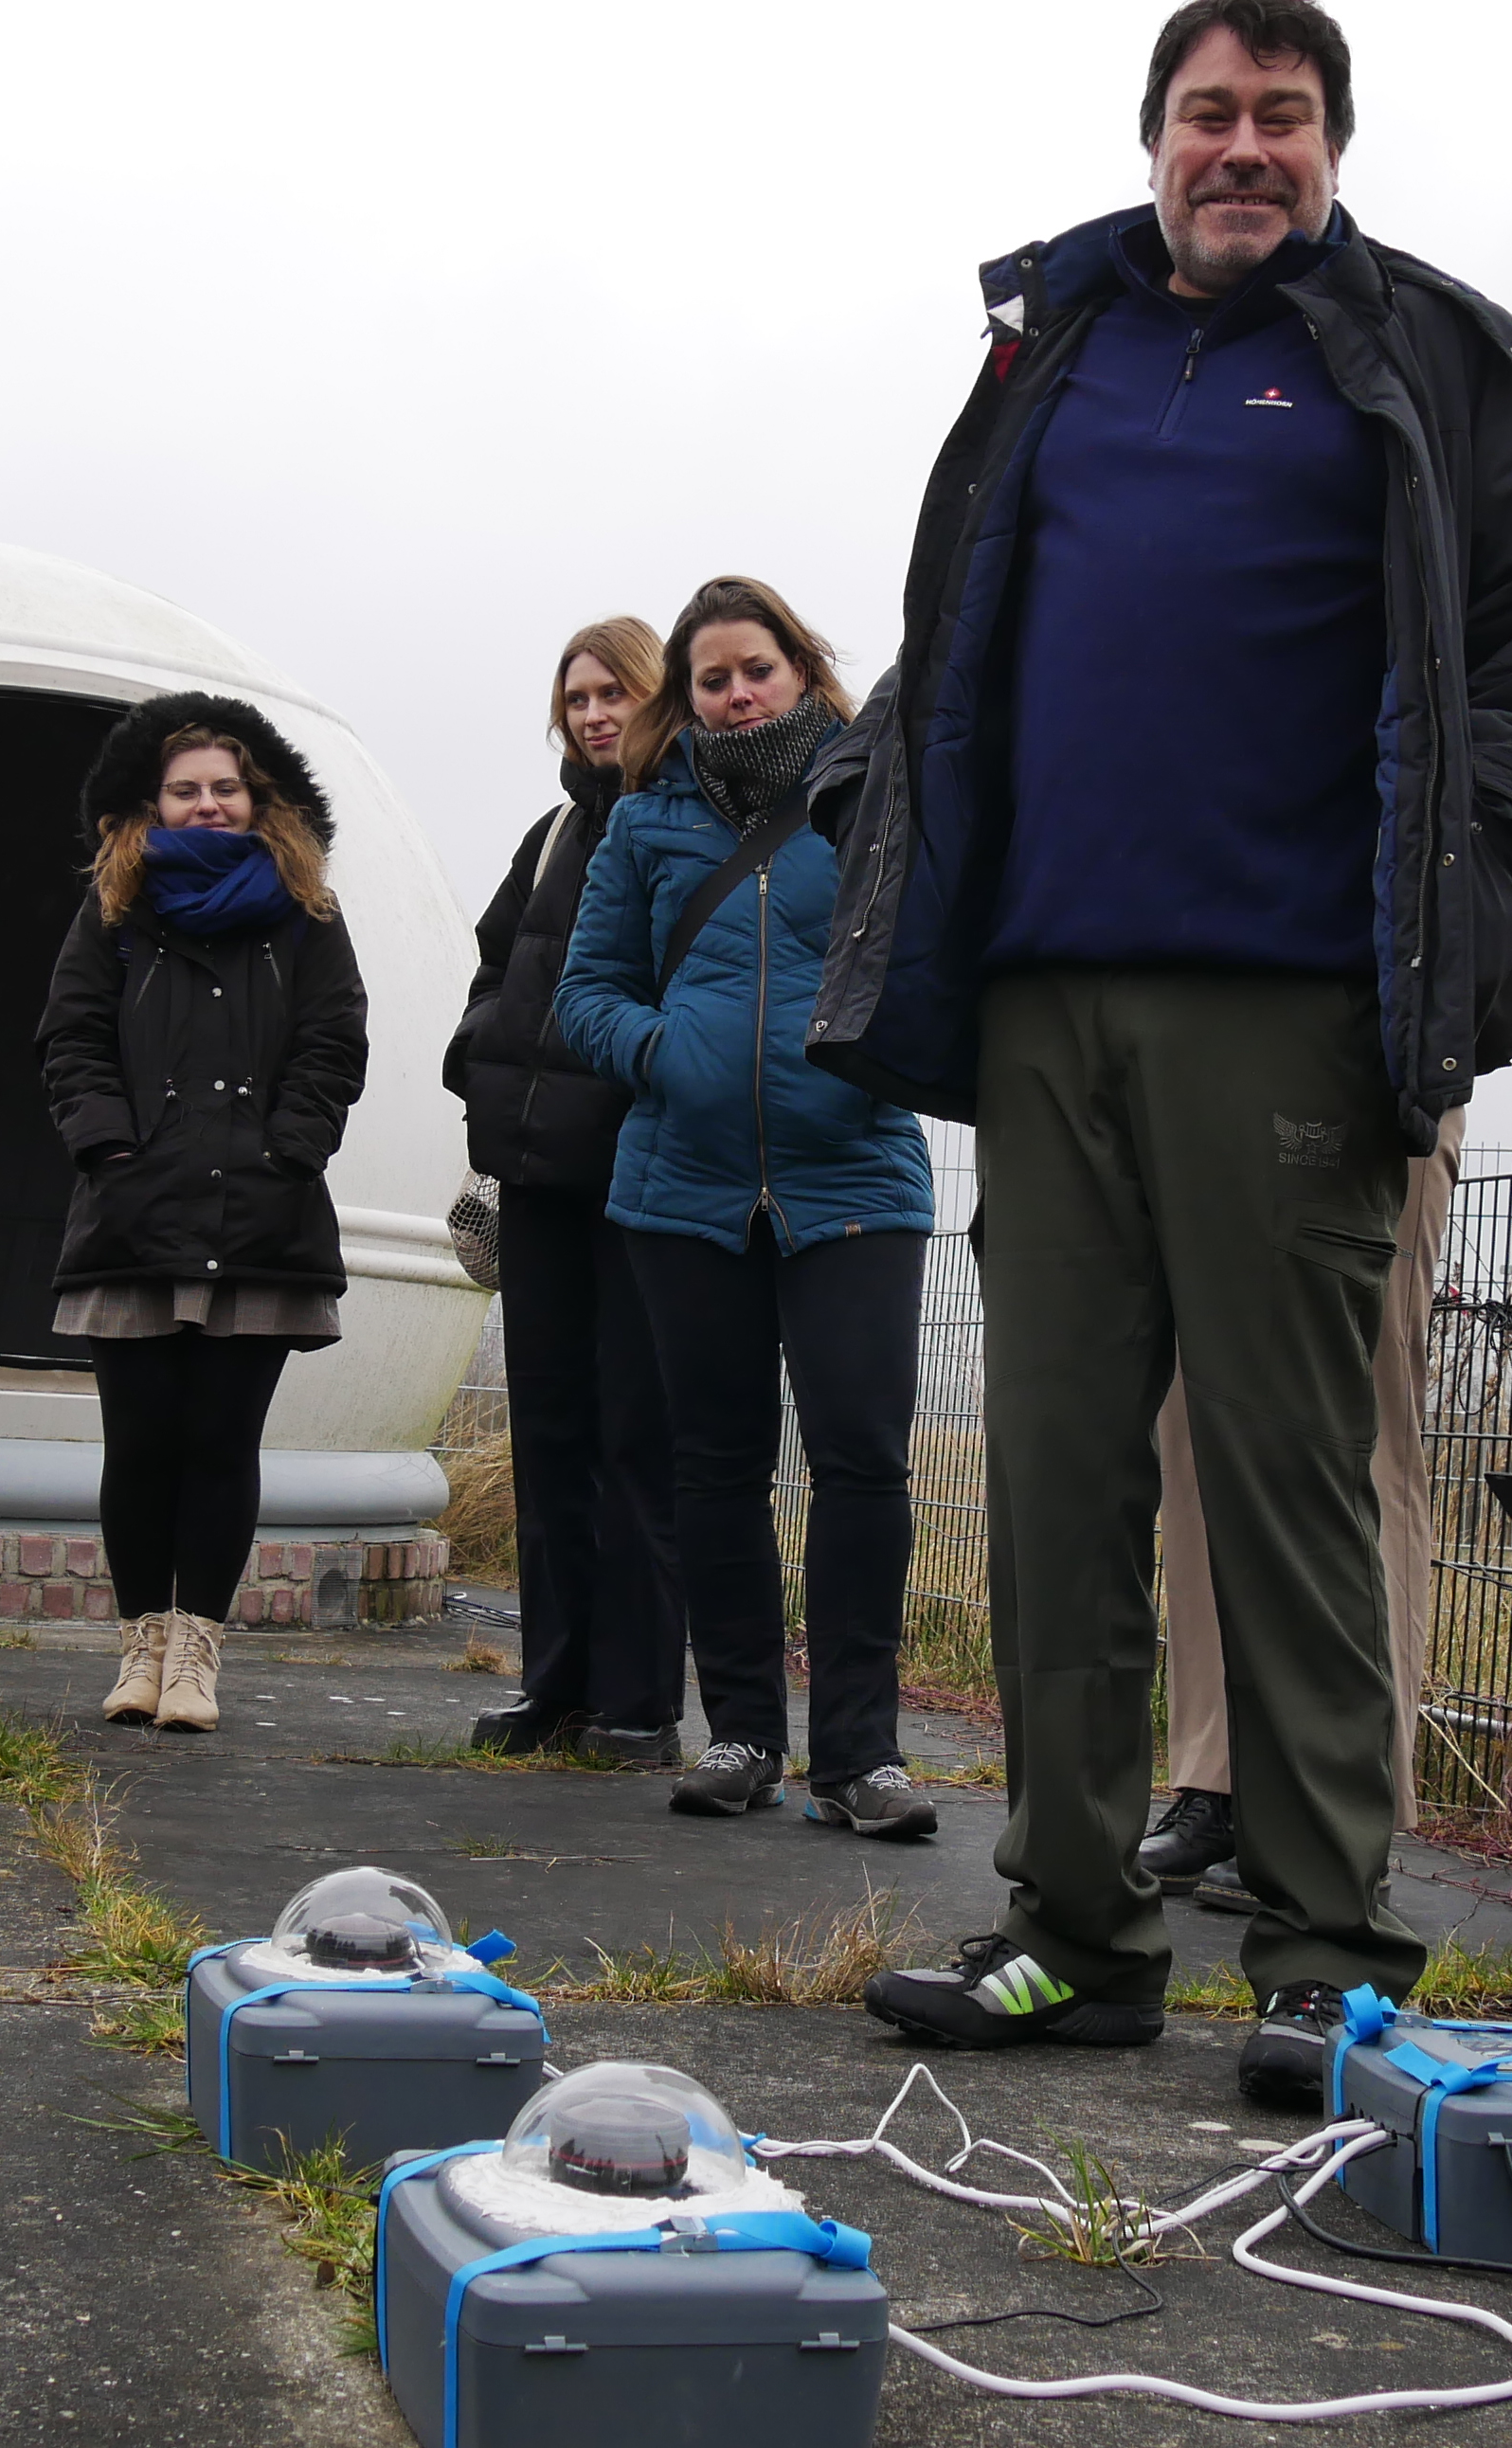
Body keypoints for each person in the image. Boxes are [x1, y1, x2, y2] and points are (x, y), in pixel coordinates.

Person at [825, 1, 1512, 2102]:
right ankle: (1070, 1930)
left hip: (1291, 1001)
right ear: (1153, 140)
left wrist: (1473, 824)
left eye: (1281, 115)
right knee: (1057, 1484)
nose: (1240, 146)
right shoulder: (1049, 347)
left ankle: (1324, 1948)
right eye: (1207, 114)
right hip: (1039, 999)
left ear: (1333, 144)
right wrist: (866, 783)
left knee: (1283, 1493)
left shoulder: (1423, 357)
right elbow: (963, 619)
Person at [554, 578, 937, 1838]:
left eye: (754, 669)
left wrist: (880, 1050)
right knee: (715, 1469)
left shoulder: (879, 789)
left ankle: (861, 1758)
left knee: (862, 1463)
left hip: (857, 1177)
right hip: (683, 1189)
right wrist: (666, 1054)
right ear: (689, 696)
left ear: (801, 670)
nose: (734, 693)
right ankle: (741, 1735)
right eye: (710, 677)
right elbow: (586, 990)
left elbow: (933, 949)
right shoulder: (645, 823)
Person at [42, 693, 369, 1734]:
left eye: (224, 787)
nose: (207, 803)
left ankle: (196, 1654)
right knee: (138, 1443)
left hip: (258, 1220)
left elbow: (333, 1042)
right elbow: (71, 1039)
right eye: (186, 789)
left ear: (255, 796)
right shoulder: (110, 912)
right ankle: (140, 1643)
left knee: (223, 1441)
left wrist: (289, 1153)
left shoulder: (306, 914)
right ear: (153, 803)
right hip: (132, 1216)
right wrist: (112, 1152)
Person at [446, 617, 691, 1769]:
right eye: (577, 695)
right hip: (539, 1178)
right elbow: (495, 966)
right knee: (548, 1433)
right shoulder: (549, 837)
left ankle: (638, 1704)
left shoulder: (687, 828)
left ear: (655, 699)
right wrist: (477, 1064)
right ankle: (556, 1683)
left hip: (640, 1178)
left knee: (635, 1442)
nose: (594, 713)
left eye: (614, 692)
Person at [1140, 1107, 1464, 1914]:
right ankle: (1218, 1783)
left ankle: (1343, 1808)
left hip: (1373, 1062)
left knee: (1361, 1422)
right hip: (1214, 1079)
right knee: (1195, 1424)